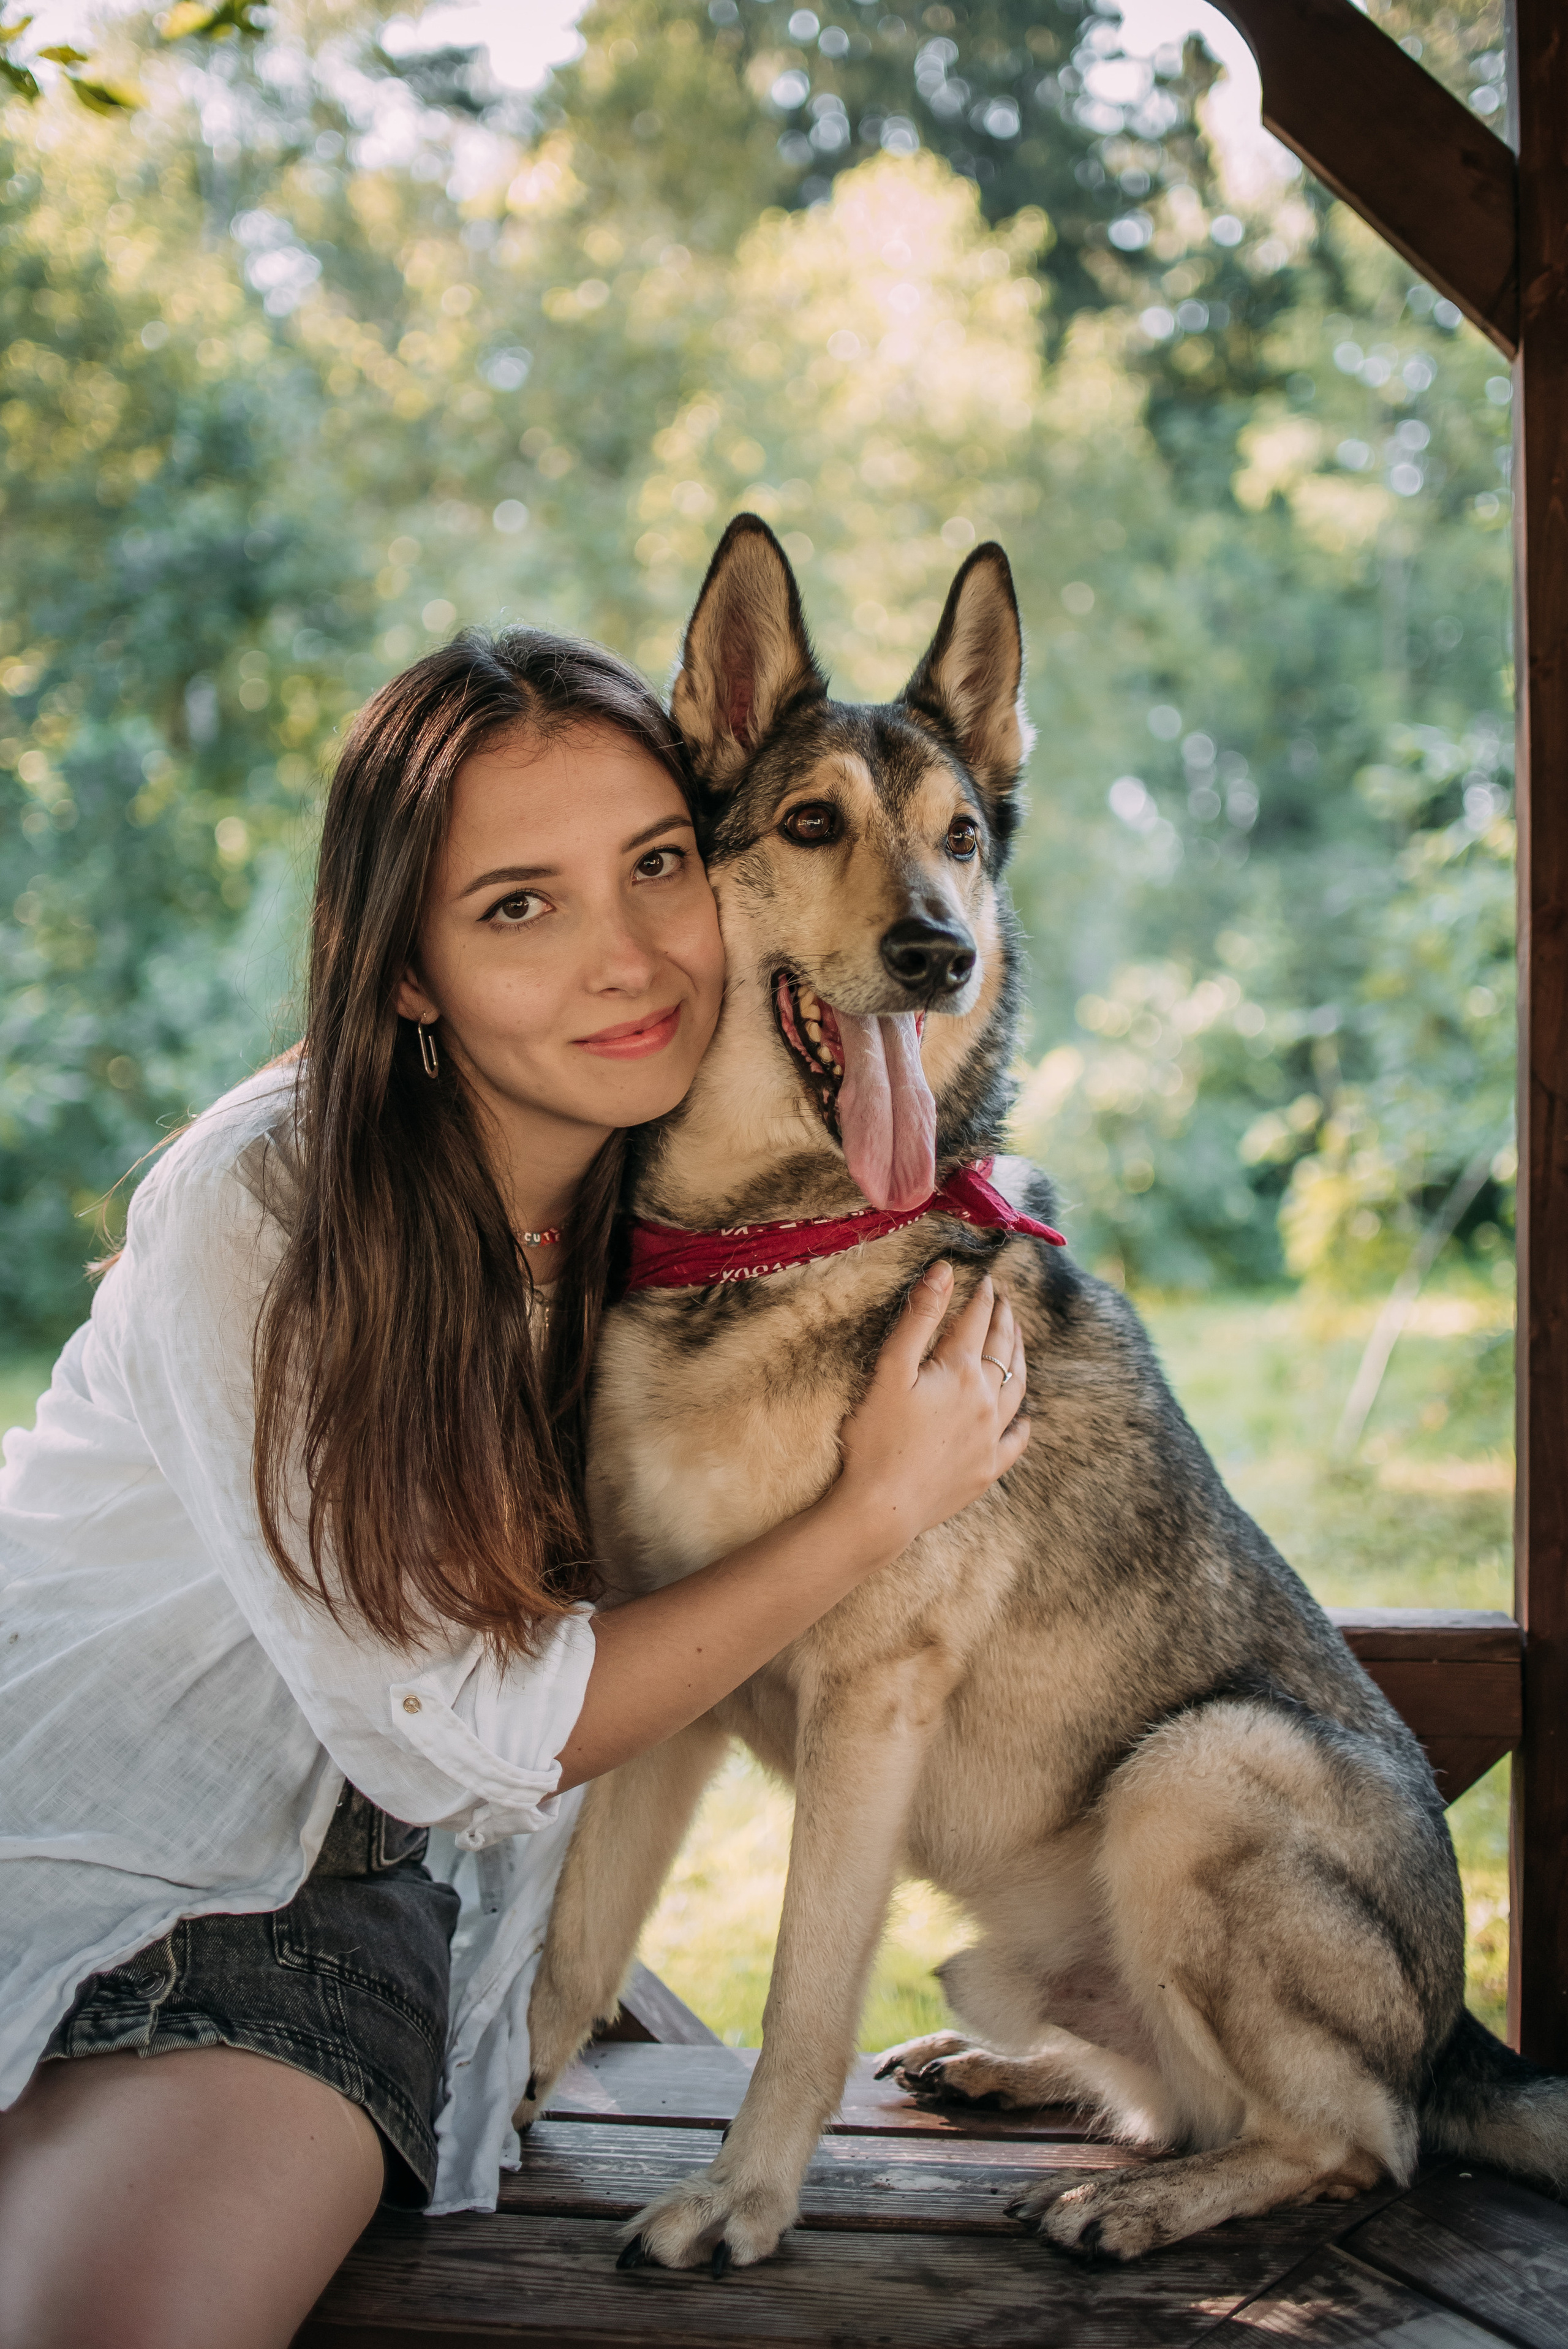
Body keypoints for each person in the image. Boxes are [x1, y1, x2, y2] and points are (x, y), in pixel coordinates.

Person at [0, 627, 1030, 2349]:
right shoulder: (270, 1202)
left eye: (652, 868)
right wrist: (868, 1512)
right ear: (407, 969)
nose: (628, 960)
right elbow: (453, 1729)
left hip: (331, 1930)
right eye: (516, 908)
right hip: (80, 1843)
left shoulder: (685, 1215)